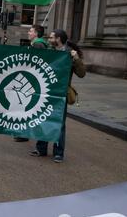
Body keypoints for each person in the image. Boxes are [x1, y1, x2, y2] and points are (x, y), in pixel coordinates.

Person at [30, 29, 86, 163]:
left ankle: (58, 152)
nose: (49, 39)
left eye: (51, 37)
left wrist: (77, 59)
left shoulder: (70, 54)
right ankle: (41, 148)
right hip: (46, 91)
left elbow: (82, 73)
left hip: (61, 93)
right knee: (42, 118)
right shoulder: (50, 52)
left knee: (59, 123)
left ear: (59, 39)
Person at [14, 24, 49, 143]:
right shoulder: (37, 44)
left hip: (33, 81)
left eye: (30, 31)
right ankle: (25, 133)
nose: (28, 33)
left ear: (36, 34)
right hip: (33, 80)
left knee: (28, 108)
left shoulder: (38, 45)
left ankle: (25, 134)